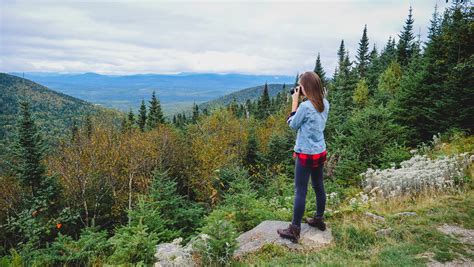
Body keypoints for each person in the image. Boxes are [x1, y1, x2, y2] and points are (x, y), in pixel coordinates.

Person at [277, 71, 330, 243]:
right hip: (320, 151)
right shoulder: (325, 103)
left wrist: (294, 101)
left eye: (301, 85)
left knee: (300, 190)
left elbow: (292, 125)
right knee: (318, 186)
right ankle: (319, 219)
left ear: (305, 87)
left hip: (306, 153)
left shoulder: (305, 107)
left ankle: (294, 229)